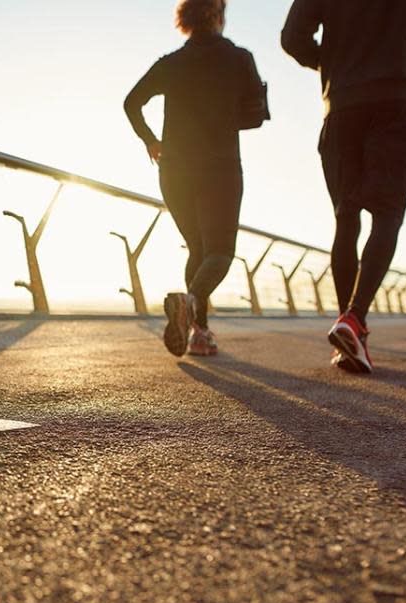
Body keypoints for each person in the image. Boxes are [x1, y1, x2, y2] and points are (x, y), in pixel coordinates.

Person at [282, 0, 406, 373]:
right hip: (396, 100)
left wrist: (333, 60)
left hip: (343, 104)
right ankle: (354, 320)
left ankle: (350, 333)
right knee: (387, 216)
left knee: (345, 218)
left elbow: (293, 38)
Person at [125, 0, 267, 357]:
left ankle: (199, 332)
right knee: (220, 252)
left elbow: (131, 102)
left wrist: (151, 140)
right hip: (219, 167)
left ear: (184, 21)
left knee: (199, 250)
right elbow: (255, 116)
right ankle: (191, 307)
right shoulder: (239, 58)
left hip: (174, 169)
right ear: (218, 16)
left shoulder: (170, 63)